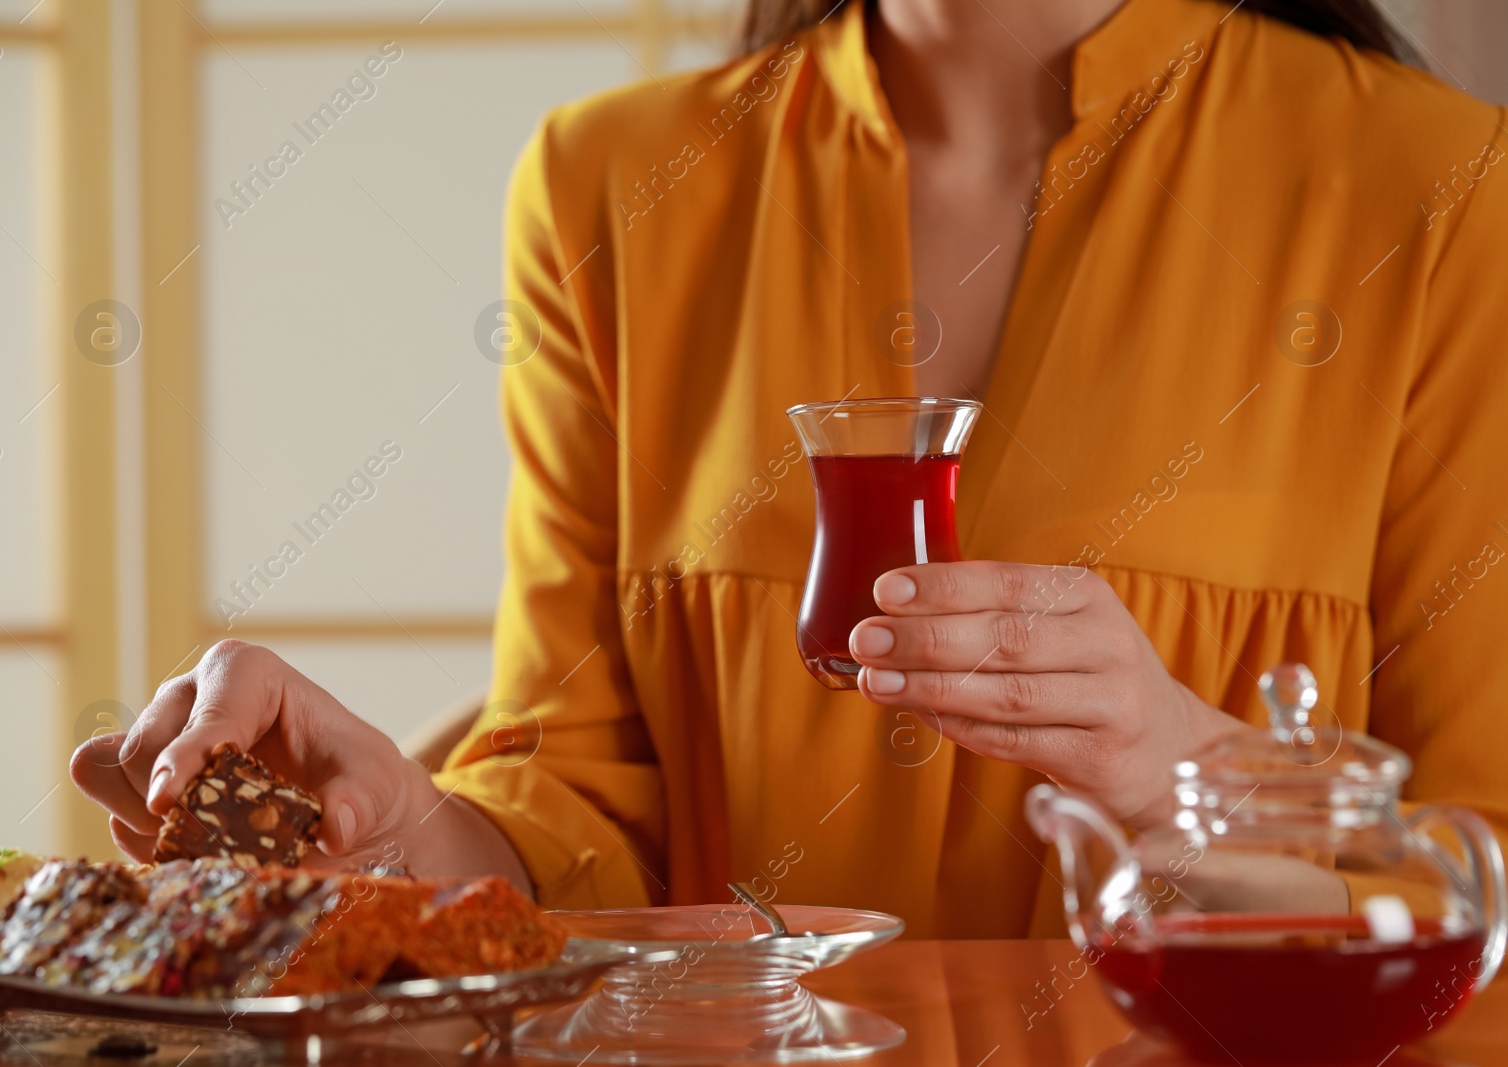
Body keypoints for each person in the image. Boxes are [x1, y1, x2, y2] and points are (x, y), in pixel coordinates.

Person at [74, 0, 1508, 938]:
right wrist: (405, 833)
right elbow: (575, 796)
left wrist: (1182, 772)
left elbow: (1478, 873)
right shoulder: (610, 183)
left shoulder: (1439, 193)